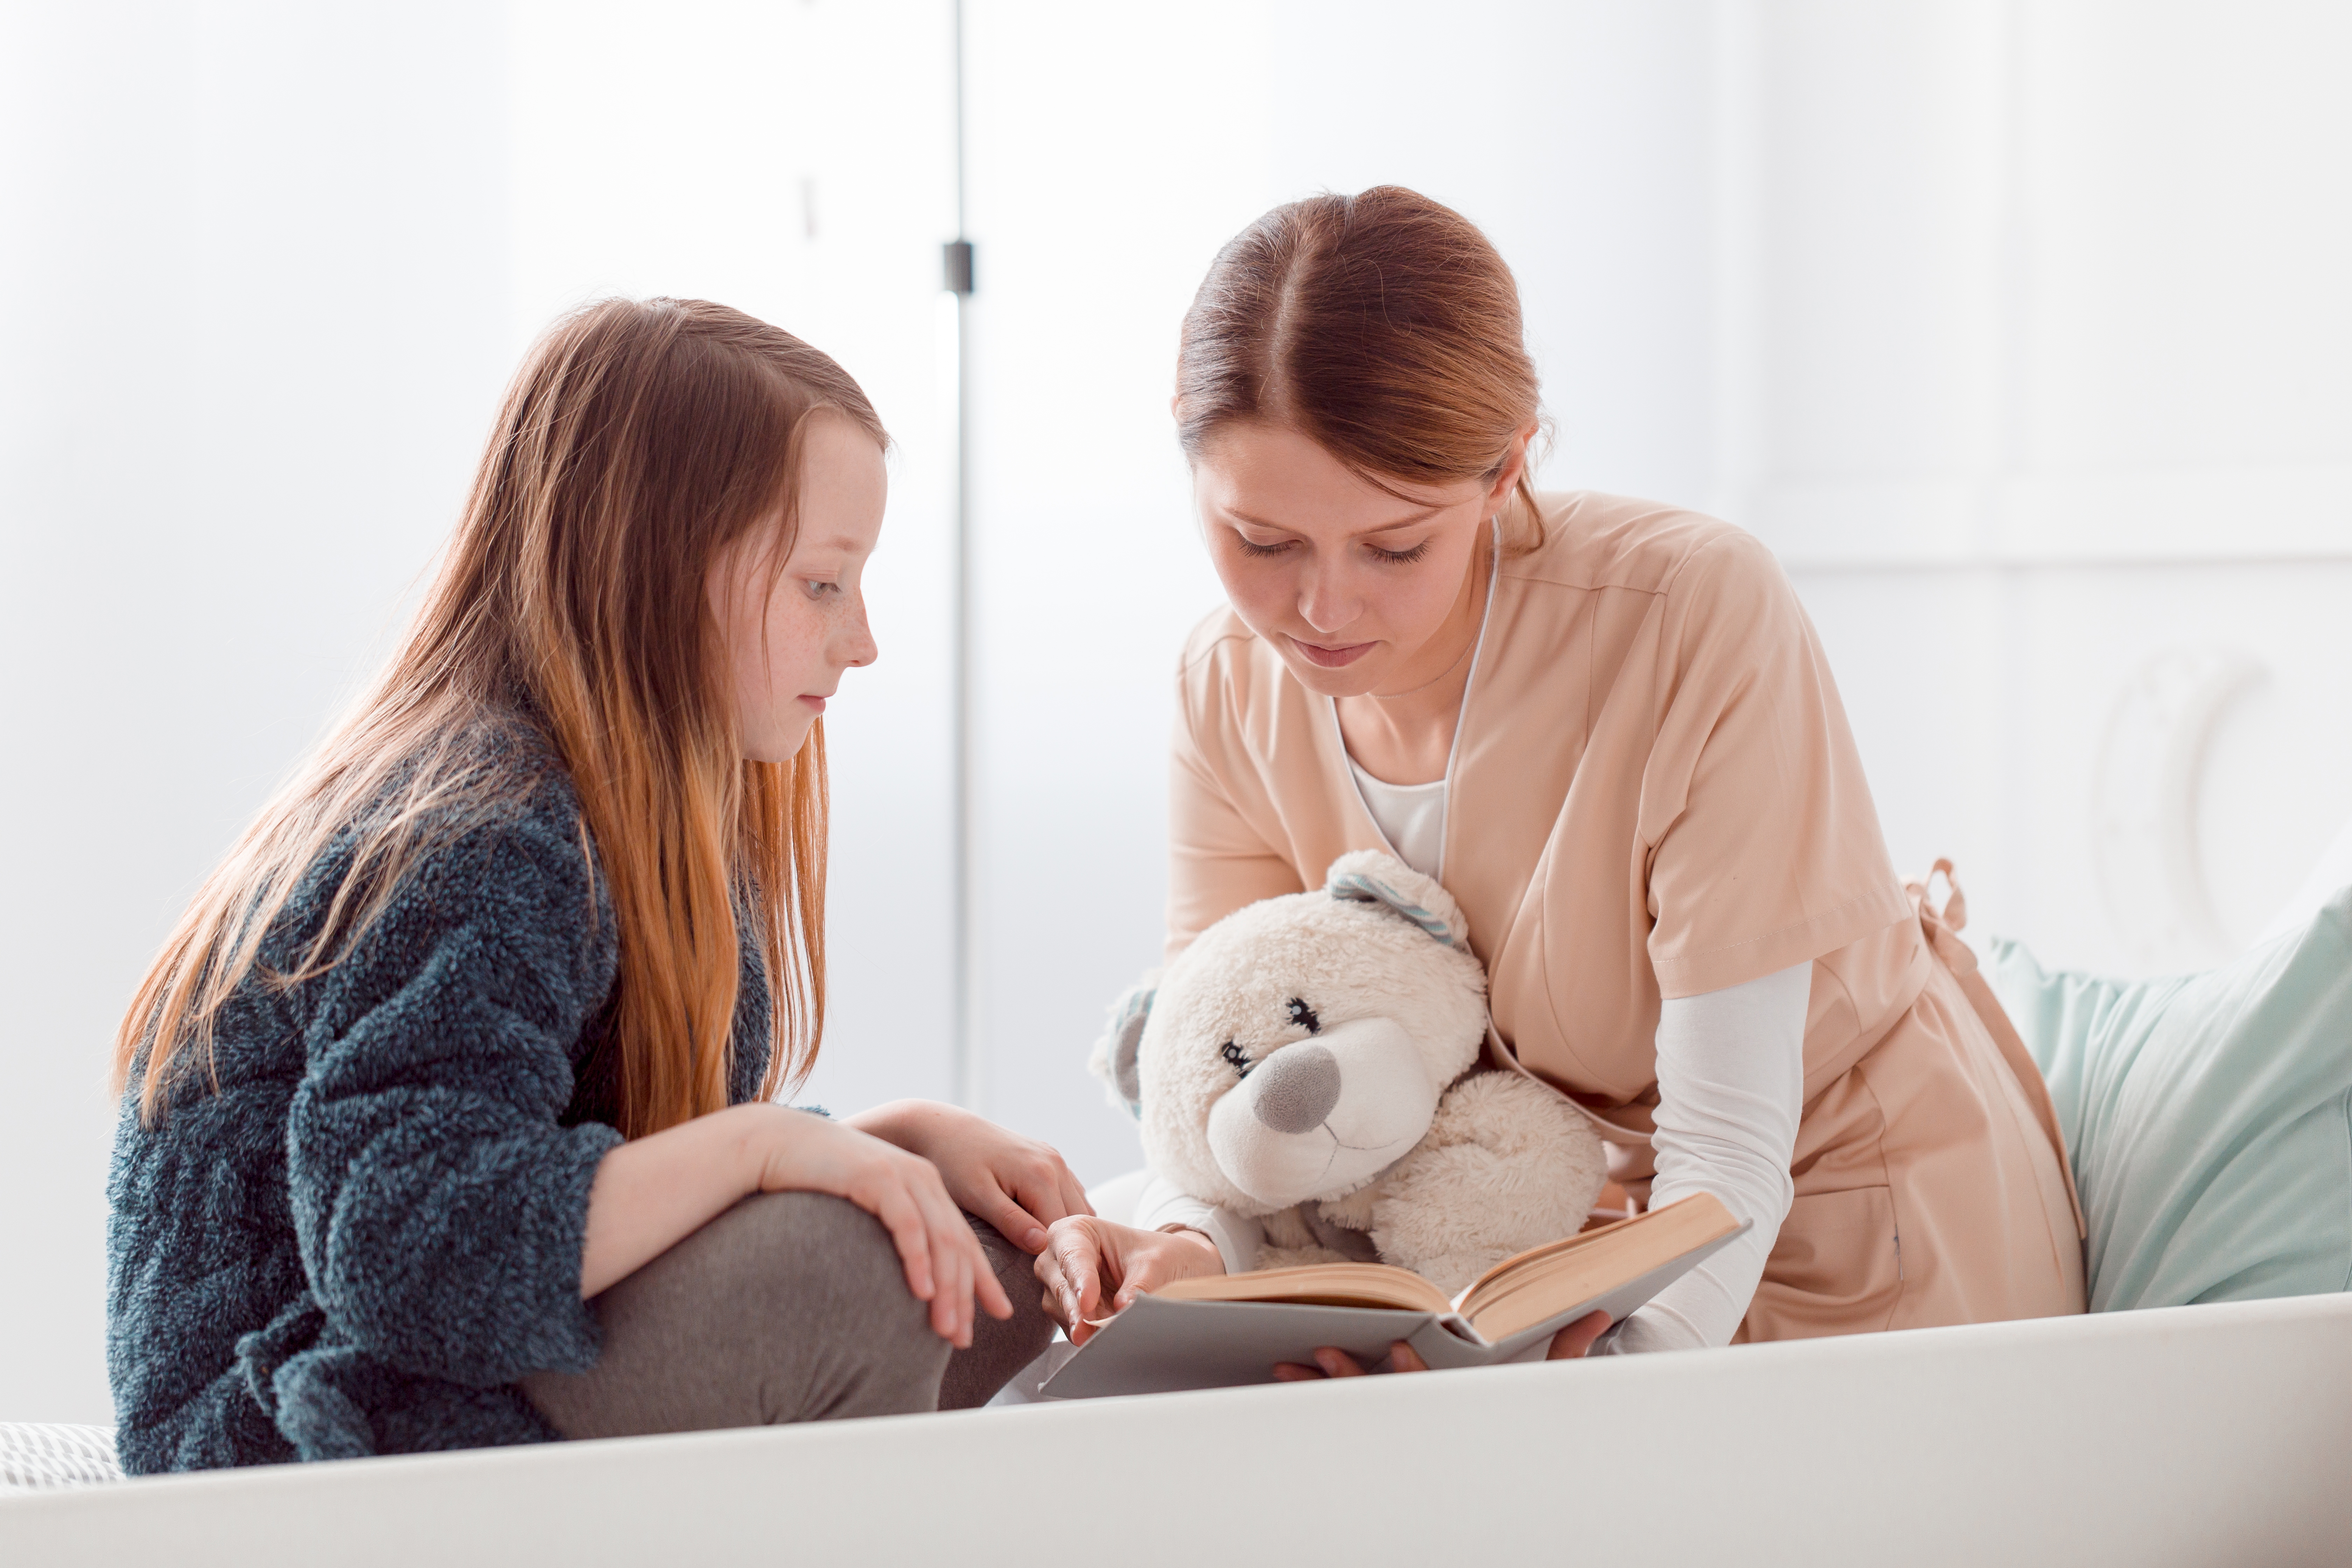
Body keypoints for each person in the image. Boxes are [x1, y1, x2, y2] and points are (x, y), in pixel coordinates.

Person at [1034, 187, 2085, 1375]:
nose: (1322, 609)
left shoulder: (1689, 613)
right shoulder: (1225, 684)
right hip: (1549, 1248)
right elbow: (1230, 1079)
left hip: (1855, 1224)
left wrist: (1607, 1381)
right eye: (1262, 543)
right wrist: (1192, 1250)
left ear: (1504, 470)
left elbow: (1734, 1143)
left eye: (1395, 545)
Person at [106, 299, 1077, 1471]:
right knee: (845, 1274)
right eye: (824, 584)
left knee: (998, 1267)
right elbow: (409, 1248)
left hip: (453, 1365)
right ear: (660, 573)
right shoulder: (487, 832)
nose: (861, 639)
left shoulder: (635, 816)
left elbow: (597, 1175)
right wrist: (770, 1147)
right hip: (305, 1422)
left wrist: (897, 1140)